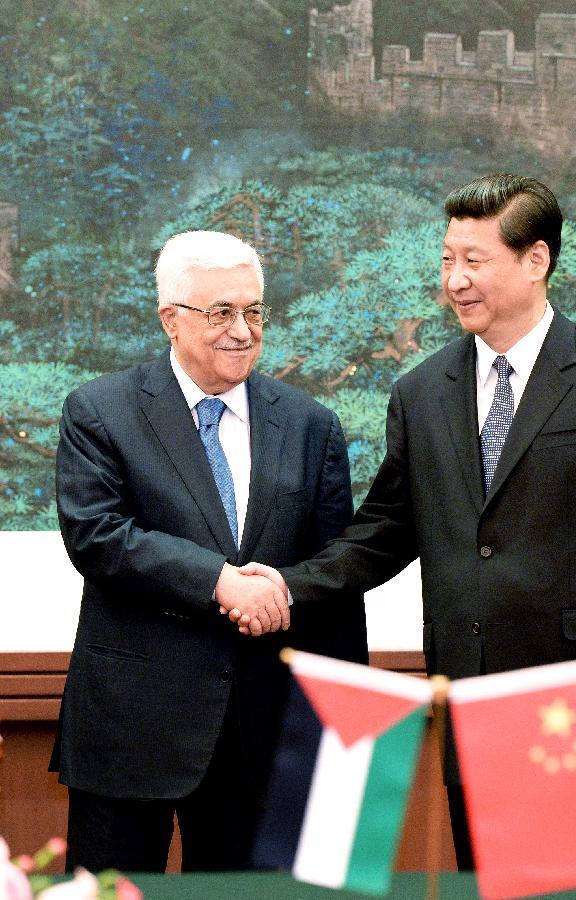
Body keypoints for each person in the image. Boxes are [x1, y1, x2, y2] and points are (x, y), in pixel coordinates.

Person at [242, 175, 576, 866]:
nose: (455, 280)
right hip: (473, 696)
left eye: (473, 261)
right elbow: (383, 531)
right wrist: (284, 584)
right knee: (489, 881)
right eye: (446, 260)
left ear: (535, 260)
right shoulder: (420, 392)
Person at [52, 230, 367, 873]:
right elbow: (98, 535)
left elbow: (335, 575)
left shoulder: (311, 425)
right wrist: (220, 582)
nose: (243, 330)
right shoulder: (101, 411)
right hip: (130, 728)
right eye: (221, 312)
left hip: (262, 737)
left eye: (254, 311)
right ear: (170, 318)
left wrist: (344, 723)